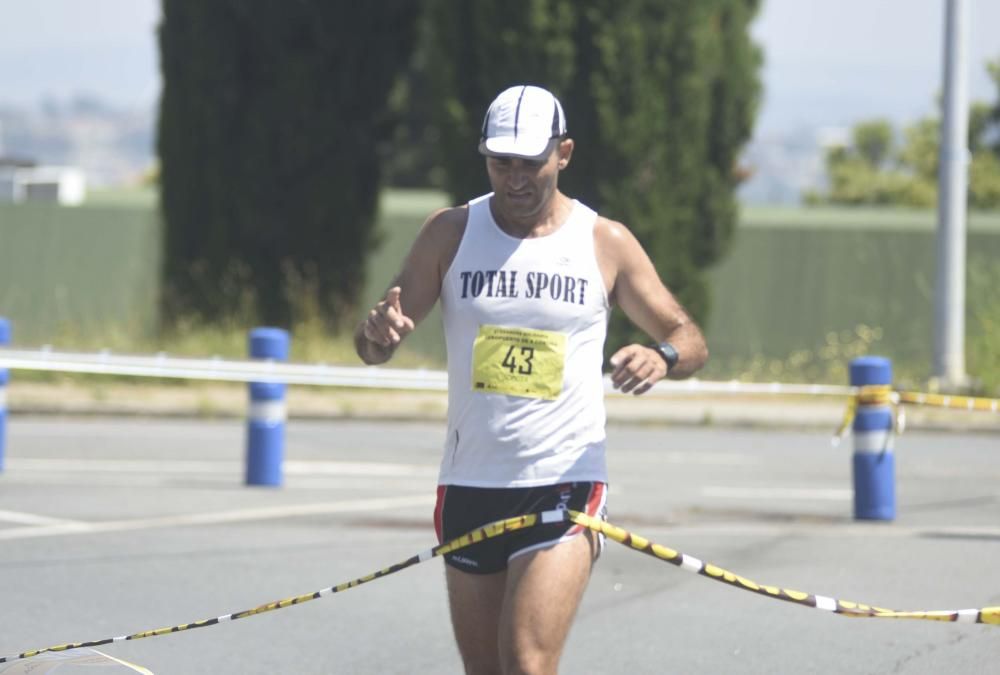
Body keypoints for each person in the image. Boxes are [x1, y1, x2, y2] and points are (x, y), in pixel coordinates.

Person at [355, 84, 708, 675]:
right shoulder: (450, 232)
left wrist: (663, 355)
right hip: (469, 484)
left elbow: (688, 335)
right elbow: (375, 344)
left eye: (530, 164)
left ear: (563, 154)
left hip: (564, 482)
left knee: (526, 662)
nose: (514, 179)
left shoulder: (603, 242)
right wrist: (377, 334)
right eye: (501, 163)